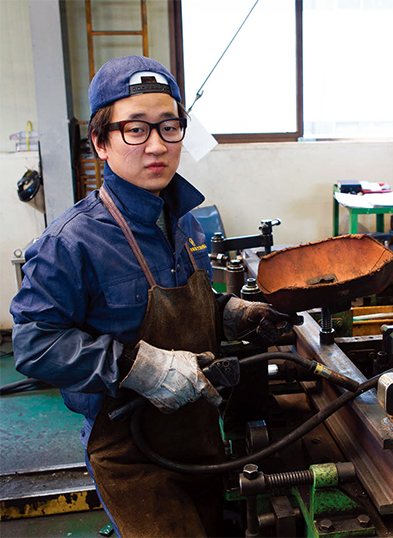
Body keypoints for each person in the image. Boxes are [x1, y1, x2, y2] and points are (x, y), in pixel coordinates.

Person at [10, 55, 293, 537]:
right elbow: (35, 344)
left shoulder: (183, 221)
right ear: (100, 141)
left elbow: (186, 302)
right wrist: (136, 367)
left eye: (170, 127)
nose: (157, 146)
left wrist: (232, 314)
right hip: (131, 452)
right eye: (136, 130)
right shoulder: (70, 243)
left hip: (200, 435)